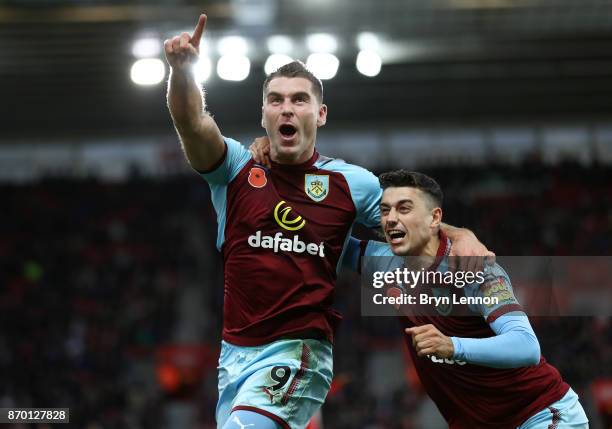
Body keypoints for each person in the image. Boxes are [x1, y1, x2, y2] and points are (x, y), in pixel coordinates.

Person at [164, 14, 489, 429]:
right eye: (277, 100)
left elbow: (413, 229)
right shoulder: (235, 169)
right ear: (263, 114)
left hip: (300, 352)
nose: (287, 108)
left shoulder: (352, 184)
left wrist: (460, 233)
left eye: (300, 100)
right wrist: (183, 72)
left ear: (320, 115)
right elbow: (192, 122)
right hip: (234, 354)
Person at [343, 170, 589, 428]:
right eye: (384, 211)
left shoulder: (473, 267)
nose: (391, 219)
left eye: (404, 209)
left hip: (538, 414)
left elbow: (526, 345)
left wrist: (452, 346)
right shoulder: (383, 264)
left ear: (434, 217)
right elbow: (329, 238)